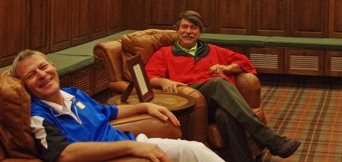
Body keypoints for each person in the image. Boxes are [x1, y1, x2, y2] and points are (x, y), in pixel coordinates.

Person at [10, 49, 225, 162]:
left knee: (194, 150)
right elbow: (65, 154)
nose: (42, 75)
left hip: (132, 142)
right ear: (24, 85)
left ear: (53, 66)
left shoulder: (73, 94)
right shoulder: (37, 115)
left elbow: (108, 111)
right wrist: (133, 148)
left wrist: (144, 107)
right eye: (31, 75)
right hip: (116, 156)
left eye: (43, 67)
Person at [145, 10, 301, 162]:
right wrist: (164, 81)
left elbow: (245, 63)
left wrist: (227, 68)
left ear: (199, 32)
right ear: (177, 31)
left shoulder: (213, 50)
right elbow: (149, 77)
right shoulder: (164, 53)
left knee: (225, 115)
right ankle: (271, 139)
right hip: (191, 99)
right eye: (184, 27)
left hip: (215, 103)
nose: (188, 31)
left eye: (193, 28)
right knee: (218, 83)